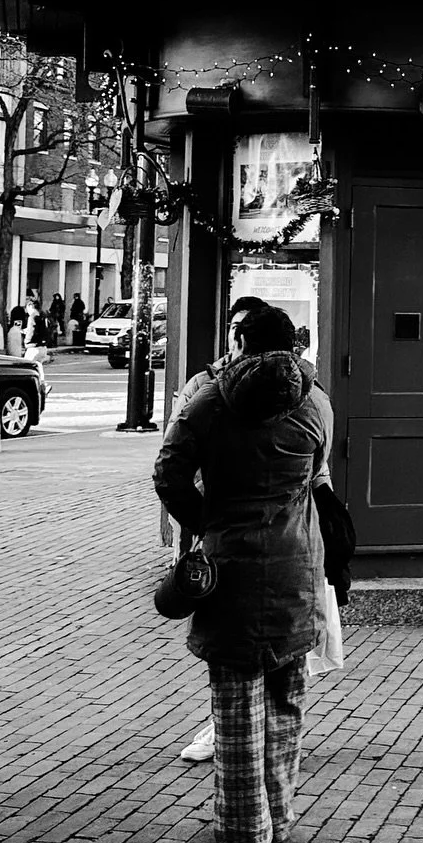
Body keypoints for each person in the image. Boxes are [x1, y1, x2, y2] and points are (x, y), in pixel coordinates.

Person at [153, 306, 332, 843]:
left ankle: (243, 841)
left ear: (240, 343)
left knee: (234, 717)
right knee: (286, 705)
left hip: (230, 570)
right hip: (296, 569)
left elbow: (168, 474)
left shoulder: (206, 401)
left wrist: (206, 522)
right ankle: (279, 820)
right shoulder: (315, 403)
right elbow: (318, 475)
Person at [176, 295, 268, 763]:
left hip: (258, 535)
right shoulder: (205, 384)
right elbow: (174, 459)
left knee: (244, 643)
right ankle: (229, 727)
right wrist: (198, 523)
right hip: (223, 530)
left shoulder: (298, 393)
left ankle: (230, 730)